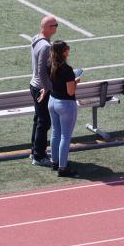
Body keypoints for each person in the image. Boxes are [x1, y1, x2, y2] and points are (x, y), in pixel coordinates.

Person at [45, 40, 81, 177]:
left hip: (52, 101)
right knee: (65, 136)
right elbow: (71, 92)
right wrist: (75, 81)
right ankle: (63, 167)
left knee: (55, 133)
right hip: (65, 104)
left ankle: (54, 162)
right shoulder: (67, 69)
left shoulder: (49, 64)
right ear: (64, 52)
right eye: (67, 48)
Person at [28, 15, 59, 167]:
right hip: (41, 88)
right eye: (55, 25)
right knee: (44, 122)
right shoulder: (46, 46)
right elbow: (41, 70)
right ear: (48, 28)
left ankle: (34, 150)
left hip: (34, 85)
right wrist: (46, 89)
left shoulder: (36, 38)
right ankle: (39, 156)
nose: (56, 27)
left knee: (38, 120)